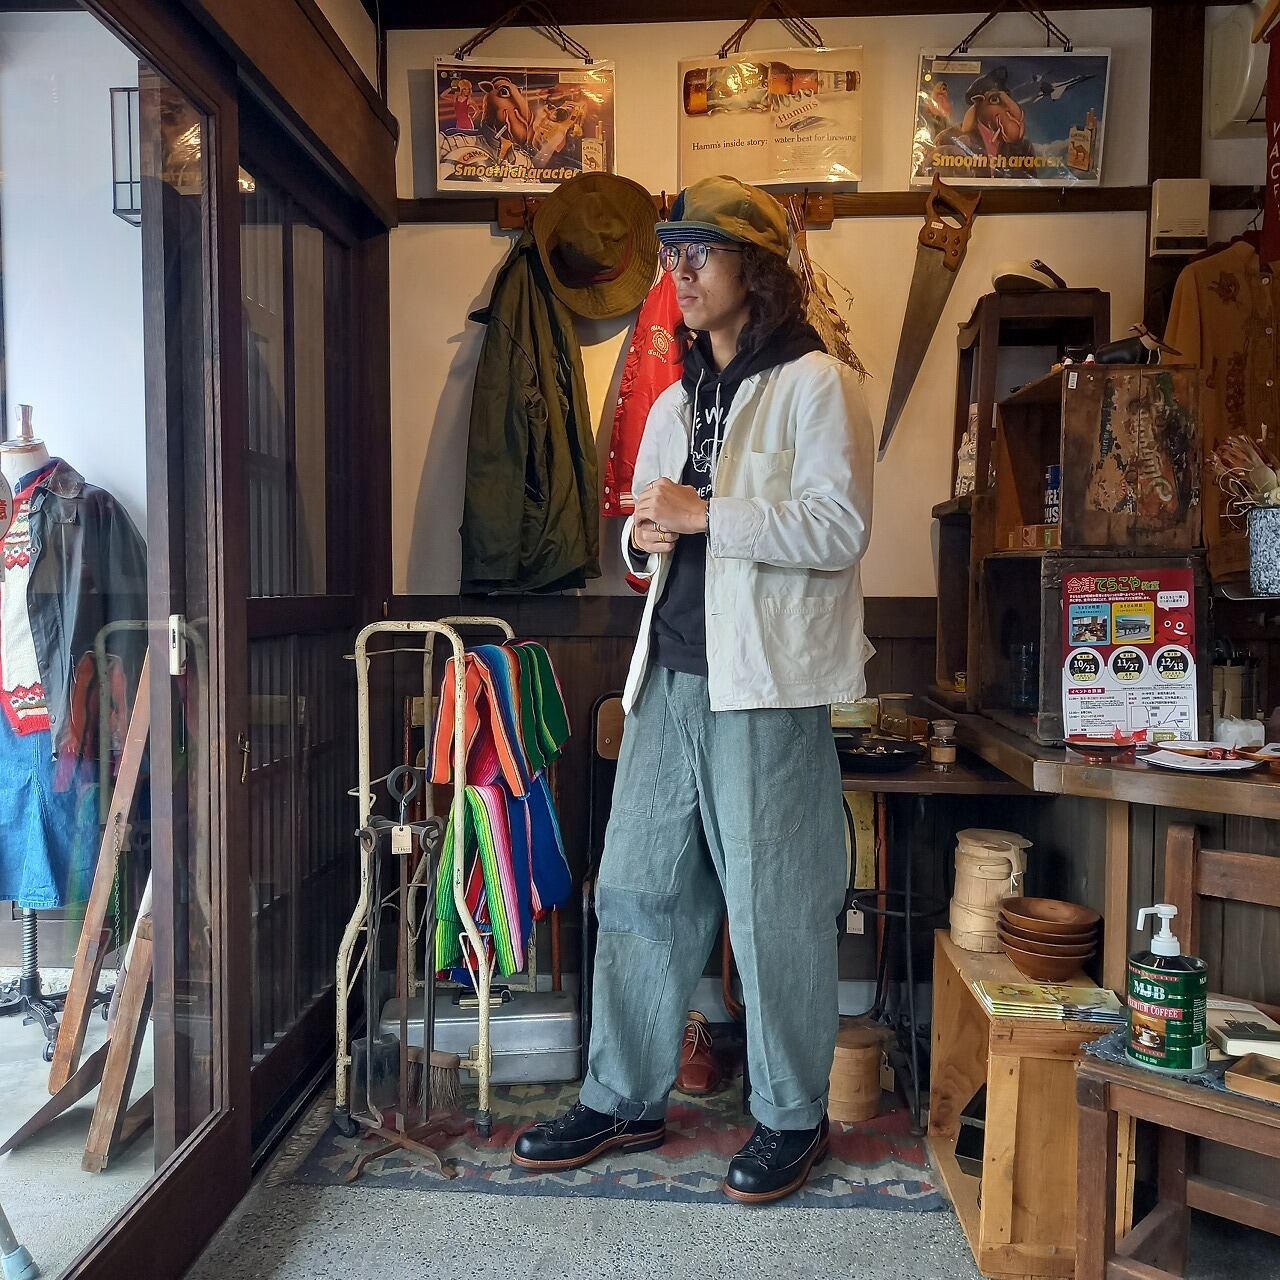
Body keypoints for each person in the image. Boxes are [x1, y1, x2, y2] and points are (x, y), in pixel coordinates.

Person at [512, 175, 874, 1203]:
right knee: (635, 887)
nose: (678, 269)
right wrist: (645, 532)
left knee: (774, 906)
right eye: (672, 252)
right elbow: (647, 541)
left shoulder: (817, 382)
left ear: (752, 269)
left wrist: (706, 511)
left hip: (765, 683)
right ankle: (621, 1096)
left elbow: (839, 528)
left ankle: (791, 1116)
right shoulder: (675, 399)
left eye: (698, 251)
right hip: (667, 674)